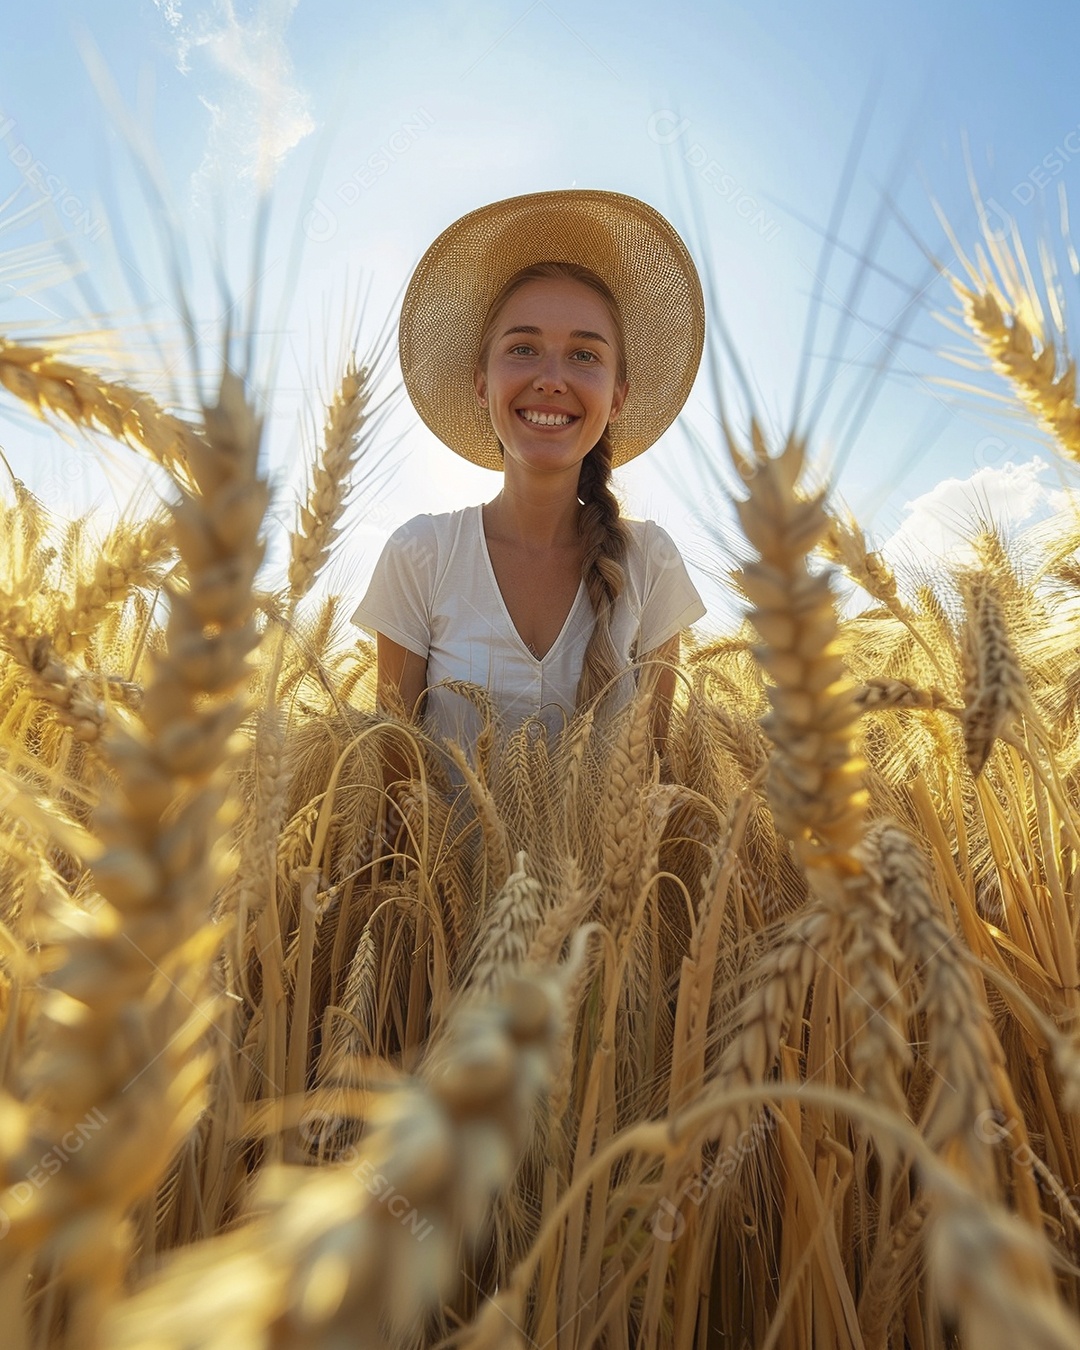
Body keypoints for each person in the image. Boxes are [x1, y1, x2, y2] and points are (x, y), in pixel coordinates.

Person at [351, 189, 706, 769]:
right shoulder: (421, 555)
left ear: (617, 397)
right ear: (480, 382)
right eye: (523, 348)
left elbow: (661, 797)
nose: (551, 378)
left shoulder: (652, 563)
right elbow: (393, 804)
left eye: (585, 356)